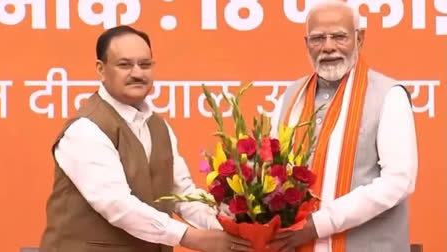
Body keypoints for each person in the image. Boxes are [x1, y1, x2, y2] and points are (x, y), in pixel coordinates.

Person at [39, 25, 251, 252]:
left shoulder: (159, 127)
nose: (137, 73)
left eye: (144, 64)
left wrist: (232, 230)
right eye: (125, 65)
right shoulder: (85, 129)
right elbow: (117, 205)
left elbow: (182, 194)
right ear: (101, 69)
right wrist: (189, 237)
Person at [268, 1, 418, 252]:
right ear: (307, 44)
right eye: (318, 39)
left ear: (359, 39)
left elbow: (398, 181)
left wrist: (319, 224)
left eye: (339, 37)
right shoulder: (291, 96)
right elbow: (271, 172)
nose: (328, 47)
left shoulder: (388, 95)